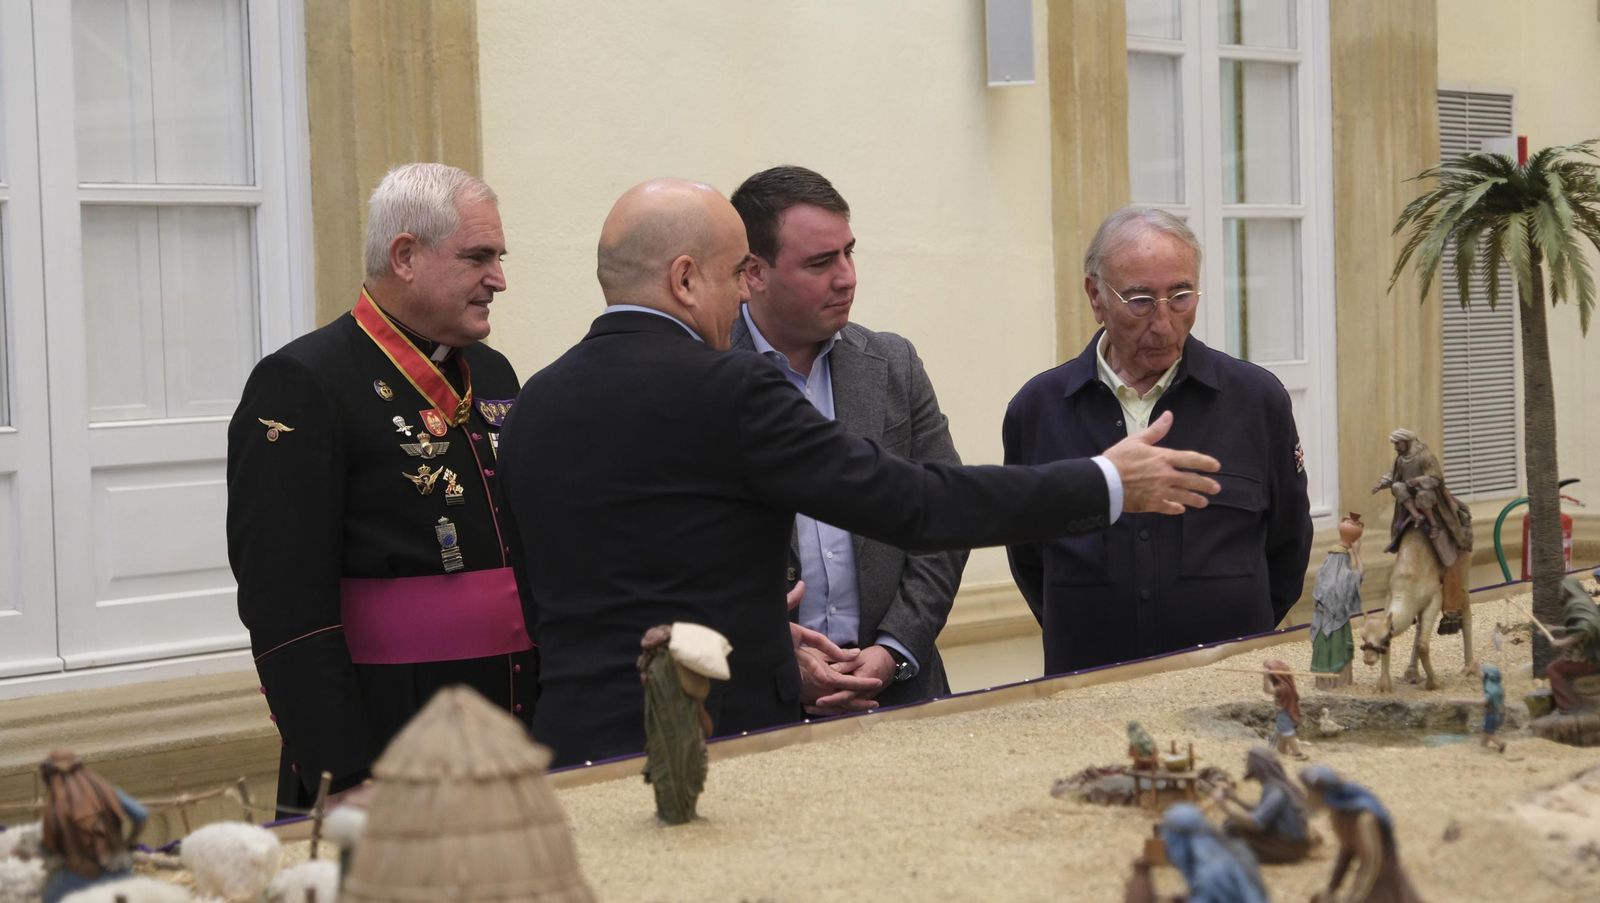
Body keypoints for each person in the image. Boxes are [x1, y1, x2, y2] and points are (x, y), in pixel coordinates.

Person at [498, 178, 1223, 768]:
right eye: (732, 277)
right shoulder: (732, 387)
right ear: (685, 279)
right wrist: (1106, 481)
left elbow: (551, 596)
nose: (740, 298)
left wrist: (756, 625)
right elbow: (913, 504)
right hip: (717, 738)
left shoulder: (531, 405)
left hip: (574, 747)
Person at [227, 163, 534, 810]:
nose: (498, 279)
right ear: (406, 256)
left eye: (498, 257)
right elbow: (284, 607)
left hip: (511, 719)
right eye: (479, 257)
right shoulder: (304, 381)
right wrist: (344, 772)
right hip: (390, 731)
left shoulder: (494, 370)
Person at [1003, 206, 1313, 673]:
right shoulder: (1037, 410)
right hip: (1090, 692)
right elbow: (1028, 558)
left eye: (1181, 296)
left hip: (1227, 684)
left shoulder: (1256, 400)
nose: (1165, 324)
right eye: (1141, 300)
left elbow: (1288, 547)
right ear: (1095, 296)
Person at [728, 165, 968, 712]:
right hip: (765, 705)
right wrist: (772, 655)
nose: (846, 277)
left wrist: (892, 650)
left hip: (902, 693)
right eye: (820, 262)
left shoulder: (892, 365)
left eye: (848, 253)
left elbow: (945, 520)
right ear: (753, 273)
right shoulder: (706, 374)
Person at [1372, 428, 1472, 632]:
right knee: (1397, 488)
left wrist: (1418, 481)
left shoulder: (1425, 456)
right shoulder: (1401, 459)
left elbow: (1436, 478)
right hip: (1409, 505)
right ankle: (1415, 517)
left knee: (1449, 558)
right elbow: (1394, 476)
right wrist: (1382, 483)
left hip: (1432, 503)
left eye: (1397, 444)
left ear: (1406, 441)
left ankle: (1452, 609)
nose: (1395, 448)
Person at [1300, 765, 1423, 903]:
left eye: (1311, 793)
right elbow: (1347, 850)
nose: (1307, 798)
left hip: (1383, 880)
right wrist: (1331, 888)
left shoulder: (1364, 820)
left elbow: (1371, 864)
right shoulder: (1338, 815)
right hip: (1367, 880)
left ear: (1326, 795)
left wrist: (1354, 898)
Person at [38, 751, 148, 903]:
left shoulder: (55, 805)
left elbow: (48, 847)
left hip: (79, 879)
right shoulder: (108, 791)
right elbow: (141, 814)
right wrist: (129, 842)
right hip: (120, 873)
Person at [1216, 746, 1314, 864]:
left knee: (1232, 827)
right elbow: (1262, 811)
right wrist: (1235, 799)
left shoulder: (1276, 790)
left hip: (1288, 847)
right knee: (1232, 824)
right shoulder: (1274, 785)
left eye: (1248, 763)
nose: (1246, 766)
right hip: (1291, 842)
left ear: (1257, 767)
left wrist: (1223, 806)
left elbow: (1257, 823)